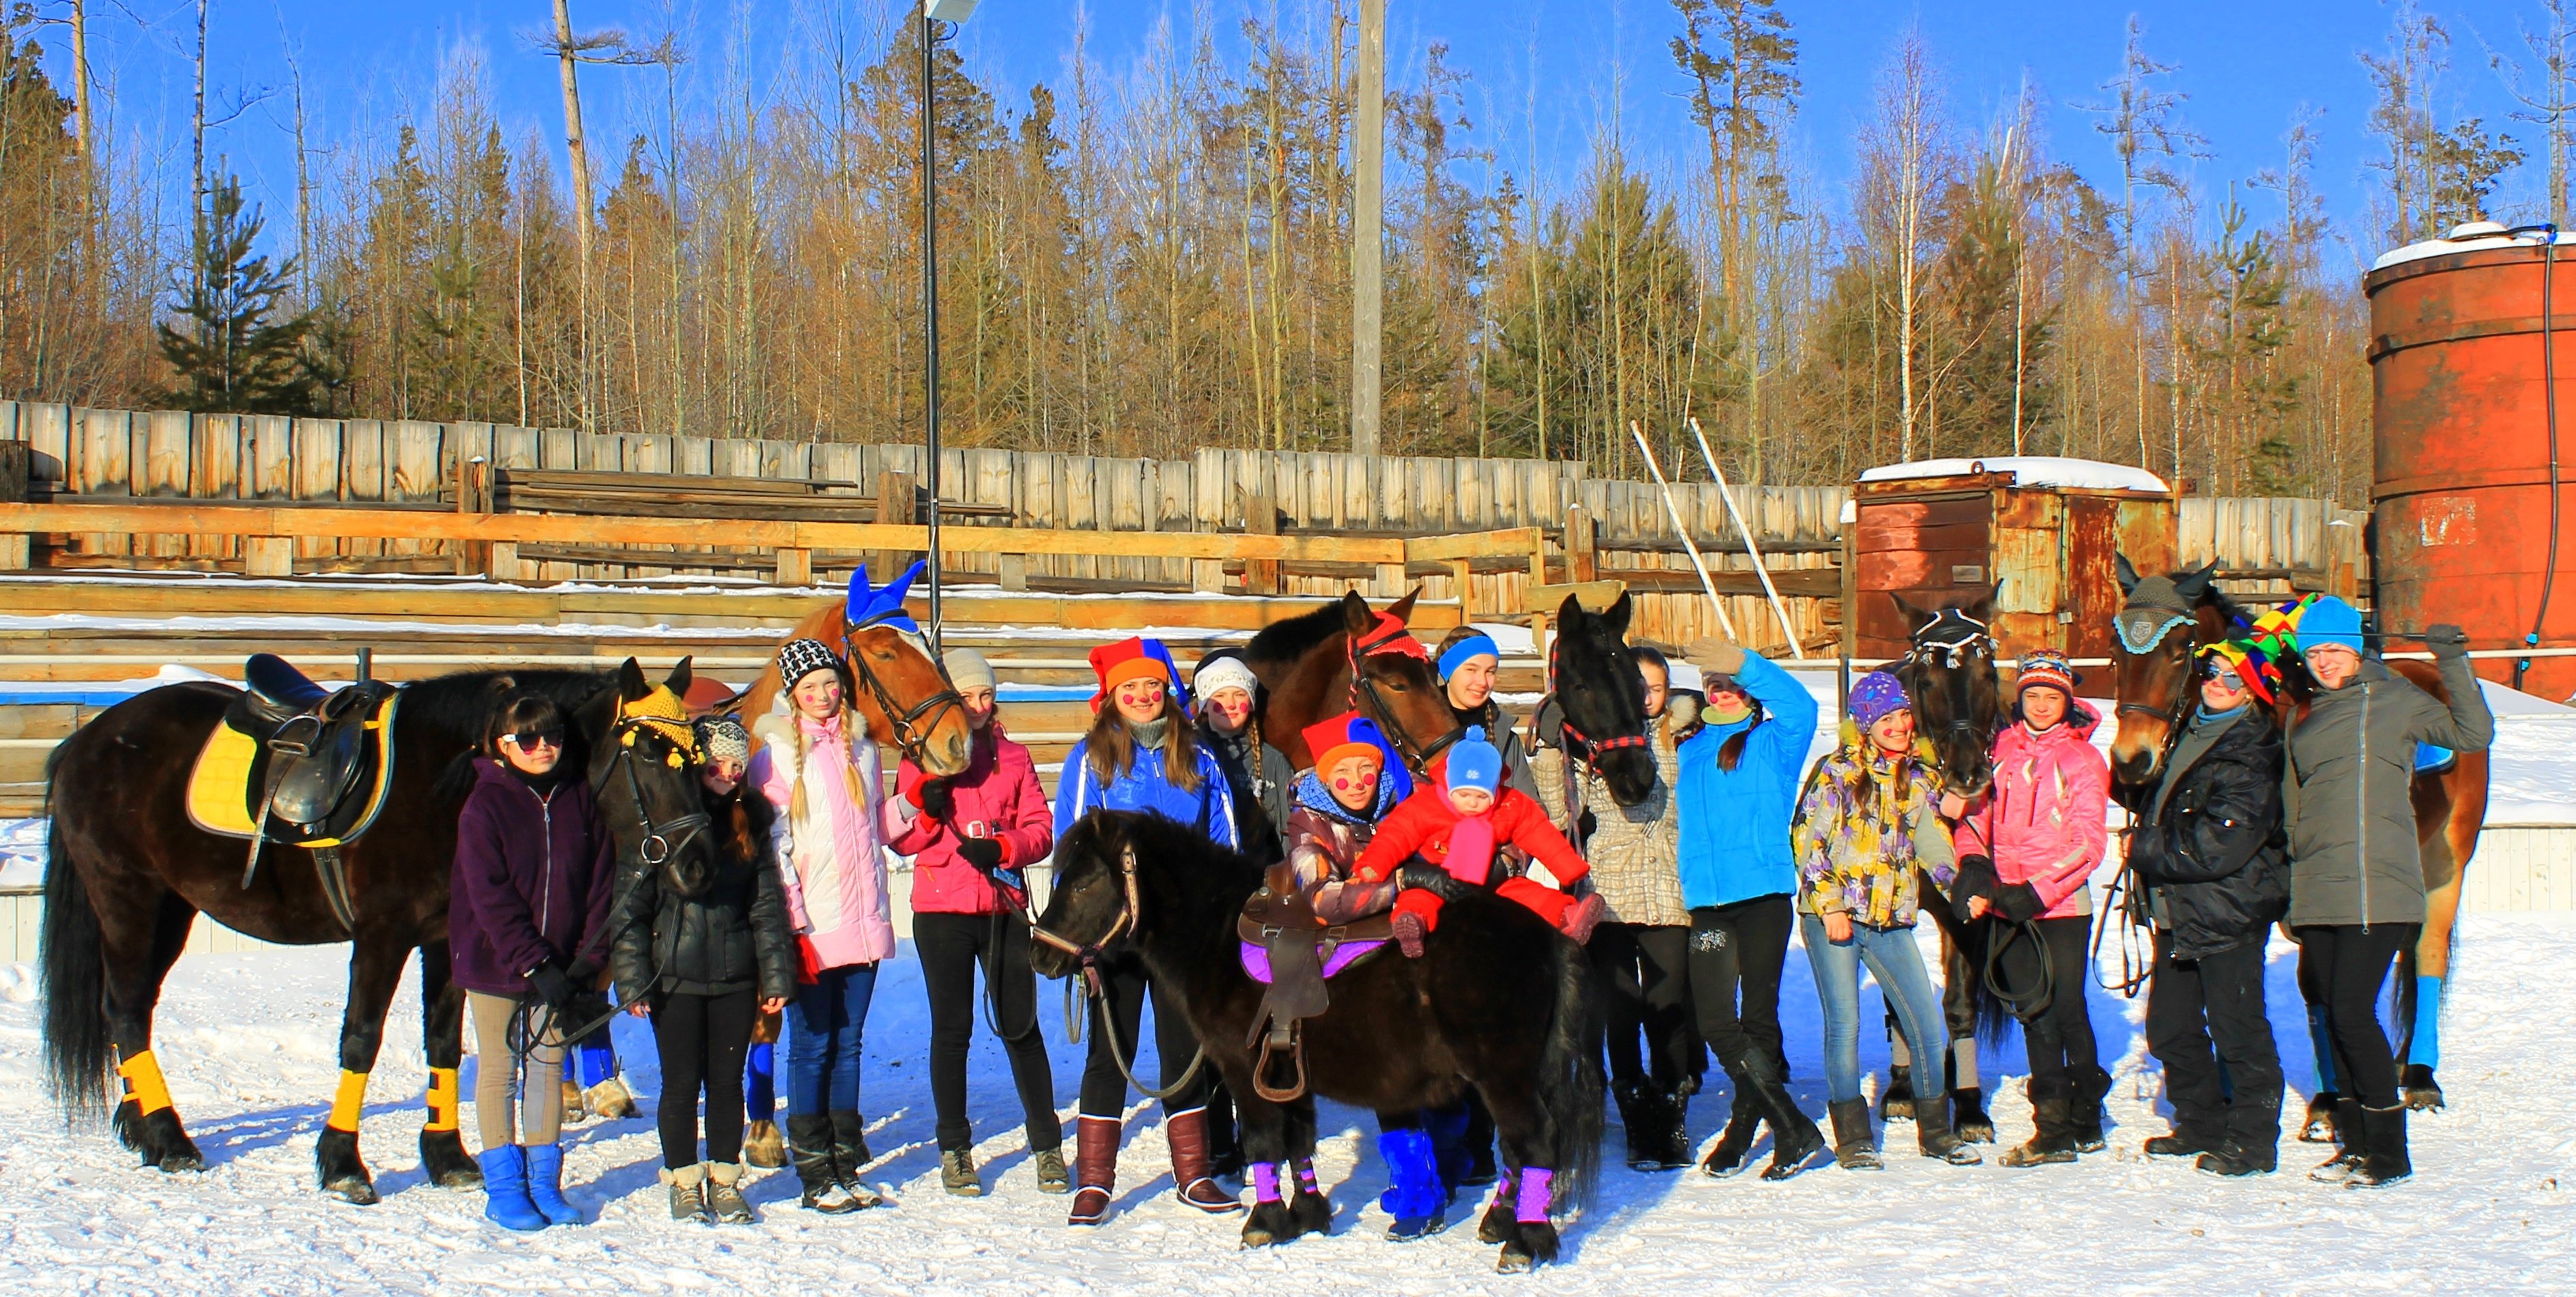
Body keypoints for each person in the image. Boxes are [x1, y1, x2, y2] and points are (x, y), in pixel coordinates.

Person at [2281, 602, 2489, 1189]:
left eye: (2334, 651)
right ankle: (2353, 1142)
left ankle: (2390, 1153)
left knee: (2350, 1012)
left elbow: (2472, 733)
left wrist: (2451, 662)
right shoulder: (2308, 715)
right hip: (2319, 886)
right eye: (2314, 653)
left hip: (2378, 884)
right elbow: (2294, 808)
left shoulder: (2395, 699)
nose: (2323, 663)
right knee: (2327, 1004)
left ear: (2357, 650)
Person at [1054, 636, 1244, 1225]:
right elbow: (1074, 851)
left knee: (1183, 1049)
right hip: (1114, 936)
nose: (1142, 696)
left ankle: (1194, 1172)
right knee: (1110, 1053)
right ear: (1111, 697)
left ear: (1166, 691)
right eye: (1130, 688)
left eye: (1152, 686)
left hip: (1178, 936)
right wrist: (1081, 938)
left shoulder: (1200, 759)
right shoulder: (1091, 758)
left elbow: (1226, 846)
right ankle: (1094, 1179)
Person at [884, 647, 1068, 1199]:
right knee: (952, 1030)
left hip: (1001, 906)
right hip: (941, 908)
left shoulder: (1013, 756)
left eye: (986, 695)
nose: (980, 705)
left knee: (1020, 1025)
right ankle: (954, 1147)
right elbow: (902, 838)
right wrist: (924, 808)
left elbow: (1041, 825)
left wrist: (1005, 846)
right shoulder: (921, 756)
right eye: (968, 697)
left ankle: (1047, 1143)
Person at [608, 716, 795, 1225]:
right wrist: (632, 977)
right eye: (717, 763)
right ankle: (684, 1178)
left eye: (738, 766)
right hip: (675, 976)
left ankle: (725, 1176)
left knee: (727, 1082)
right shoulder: (661, 822)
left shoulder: (747, 824)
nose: (728, 774)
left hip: (735, 975)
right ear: (696, 764)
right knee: (681, 1082)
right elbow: (630, 909)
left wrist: (775, 975)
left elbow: (766, 907)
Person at [1795, 671, 1982, 1170]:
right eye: (1887, 717)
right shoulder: (1835, 771)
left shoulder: (1917, 776)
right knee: (1846, 1023)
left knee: (1925, 1021)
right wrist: (1829, 905)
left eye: (1903, 715)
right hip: (1832, 917)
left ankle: (1936, 1131)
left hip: (1891, 919)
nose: (1899, 725)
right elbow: (1807, 839)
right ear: (1864, 723)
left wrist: (1959, 888)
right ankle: (1853, 1136)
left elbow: (1930, 844)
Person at [1284, 711, 1456, 1240]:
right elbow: (1321, 899)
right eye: (1343, 772)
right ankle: (1415, 1188)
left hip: (1419, 948)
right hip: (1354, 967)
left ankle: (1444, 1167)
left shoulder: (1404, 802)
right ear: (1324, 775)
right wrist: (1400, 881)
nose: (1357, 783)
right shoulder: (1307, 821)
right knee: (1392, 1078)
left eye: (1366, 769)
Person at [449, 692, 617, 1232]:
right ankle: (505, 1187)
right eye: (528, 738)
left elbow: (599, 882)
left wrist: (586, 960)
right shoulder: (485, 804)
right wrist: (532, 961)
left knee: (546, 1068)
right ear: (502, 746)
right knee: (499, 1071)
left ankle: (546, 1181)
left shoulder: (577, 797)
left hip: (562, 968)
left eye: (552, 737)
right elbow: (488, 893)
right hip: (497, 962)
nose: (542, 747)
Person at [1532, 645, 1701, 1171]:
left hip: (1670, 892)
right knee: (1621, 1014)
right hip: (1607, 896)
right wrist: (1546, 745)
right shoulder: (1596, 739)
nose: (1645, 698)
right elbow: (1561, 809)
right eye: (1636, 687)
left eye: (1654, 688)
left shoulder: (1685, 739)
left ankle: (1669, 1113)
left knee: (1668, 1008)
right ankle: (1635, 1121)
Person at [750, 637, 901, 1213]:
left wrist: (913, 806)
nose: (822, 693)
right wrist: (792, 915)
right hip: (813, 921)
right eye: (809, 685)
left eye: (830, 683)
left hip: (863, 917)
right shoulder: (779, 754)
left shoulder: (862, 747)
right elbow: (775, 841)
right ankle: (814, 1166)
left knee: (850, 1043)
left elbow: (875, 827)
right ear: (792, 693)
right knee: (813, 1046)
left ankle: (844, 1154)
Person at [2129, 651, 2291, 1177]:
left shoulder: (2253, 751)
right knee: (2170, 1028)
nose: (2218, 684)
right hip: (2179, 910)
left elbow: (2219, 843)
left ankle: (2252, 1141)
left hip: (2227, 911)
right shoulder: (2185, 732)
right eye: (2212, 673)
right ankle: (2199, 1122)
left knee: (2237, 1028)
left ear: (2251, 692)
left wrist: (2143, 848)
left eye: (2233, 678)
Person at [1673, 637, 1828, 1181]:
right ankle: (1790, 1122)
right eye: (1715, 683)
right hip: (1708, 906)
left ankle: (1743, 1128)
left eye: (1734, 684)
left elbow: (1802, 706)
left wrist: (1744, 664)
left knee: (1758, 1016)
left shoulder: (1773, 743)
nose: (1725, 690)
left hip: (1761, 897)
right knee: (1716, 1018)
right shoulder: (1686, 750)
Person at [1949, 652, 2113, 1167]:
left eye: (2052, 696)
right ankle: (2055, 1128)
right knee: (2035, 1015)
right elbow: (1974, 814)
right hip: (2006, 903)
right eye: (2033, 696)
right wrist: (1974, 864)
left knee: (2067, 1012)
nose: (2041, 705)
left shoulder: (2083, 759)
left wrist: (2038, 891)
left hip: (2060, 905)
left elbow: (2089, 841)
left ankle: (2087, 1103)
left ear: (2067, 702)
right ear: (2019, 700)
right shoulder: (1998, 748)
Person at [1350, 726, 1606, 958]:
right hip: (1437, 874)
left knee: (1524, 893)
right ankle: (1412, 924)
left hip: (1490, 877)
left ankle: (1566, 916)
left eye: (1481, 796)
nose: (1472, 803)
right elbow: (1397, 834)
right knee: (1418, 897)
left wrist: (1569, 867)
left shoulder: (1510, 804)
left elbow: (1539, 832)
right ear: (1450, 784)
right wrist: (1375, 864)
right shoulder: (1426, 805)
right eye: (1463, 795)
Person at [1194, 650, 1295, 865]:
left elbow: (1289, 829)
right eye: (1219, 696)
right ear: (1204, 705)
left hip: (1260, 879)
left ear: (1250, 704)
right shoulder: (1189, 753)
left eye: (1239, 695)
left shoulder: (1273, 761)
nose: (1230, 704)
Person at [1433, 627, 1540, 797]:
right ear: (1448, 672)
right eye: (1471, 670)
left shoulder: (1503, 734)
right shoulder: (1422, 729)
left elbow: (1529, 805)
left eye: (1490, 671)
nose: (1483, 682)